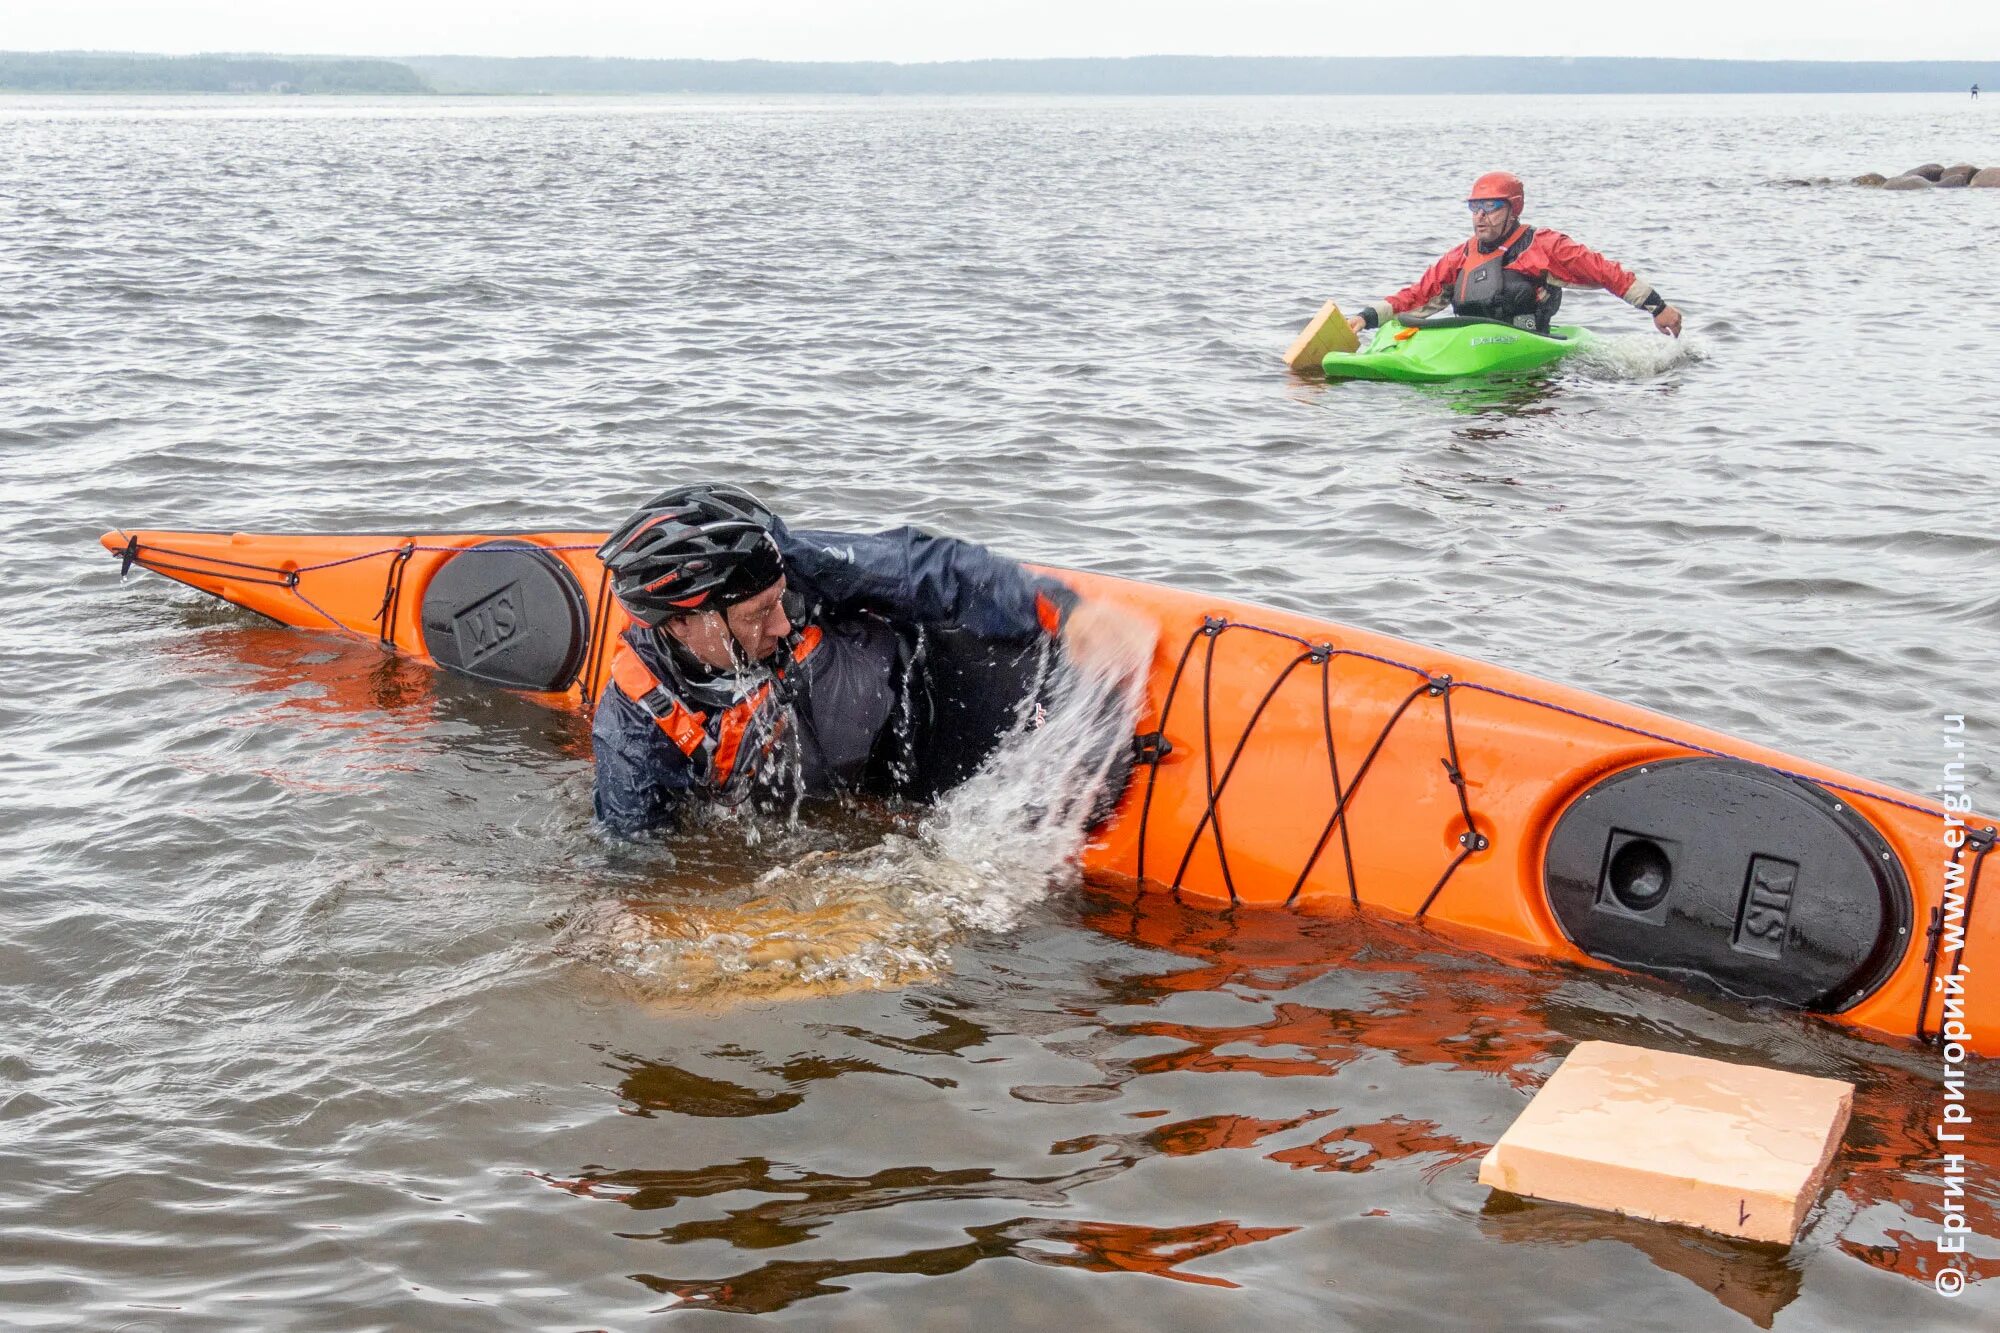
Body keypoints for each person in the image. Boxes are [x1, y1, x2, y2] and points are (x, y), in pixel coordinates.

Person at [590, 482, 1144, 836]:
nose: (782, 623)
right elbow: (638, 861)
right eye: (758, 615)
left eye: (781, 602)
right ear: (685, 622)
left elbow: (926, 570)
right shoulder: (635, 728)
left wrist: (1061, 611)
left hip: (918, 697)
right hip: (863, 793)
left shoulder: (784, 563)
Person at [1346, 172, 1683, 340]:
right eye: (1474, 208)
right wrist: (1365, 318)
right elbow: (1417, 296)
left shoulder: (1545, 246)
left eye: (1490, 208)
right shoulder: (1460, 256)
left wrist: (1658, 307)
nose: (1480, 216)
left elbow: (1605, 271)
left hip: (1530, 346)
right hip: (1474, 344)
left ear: (1513, 209)